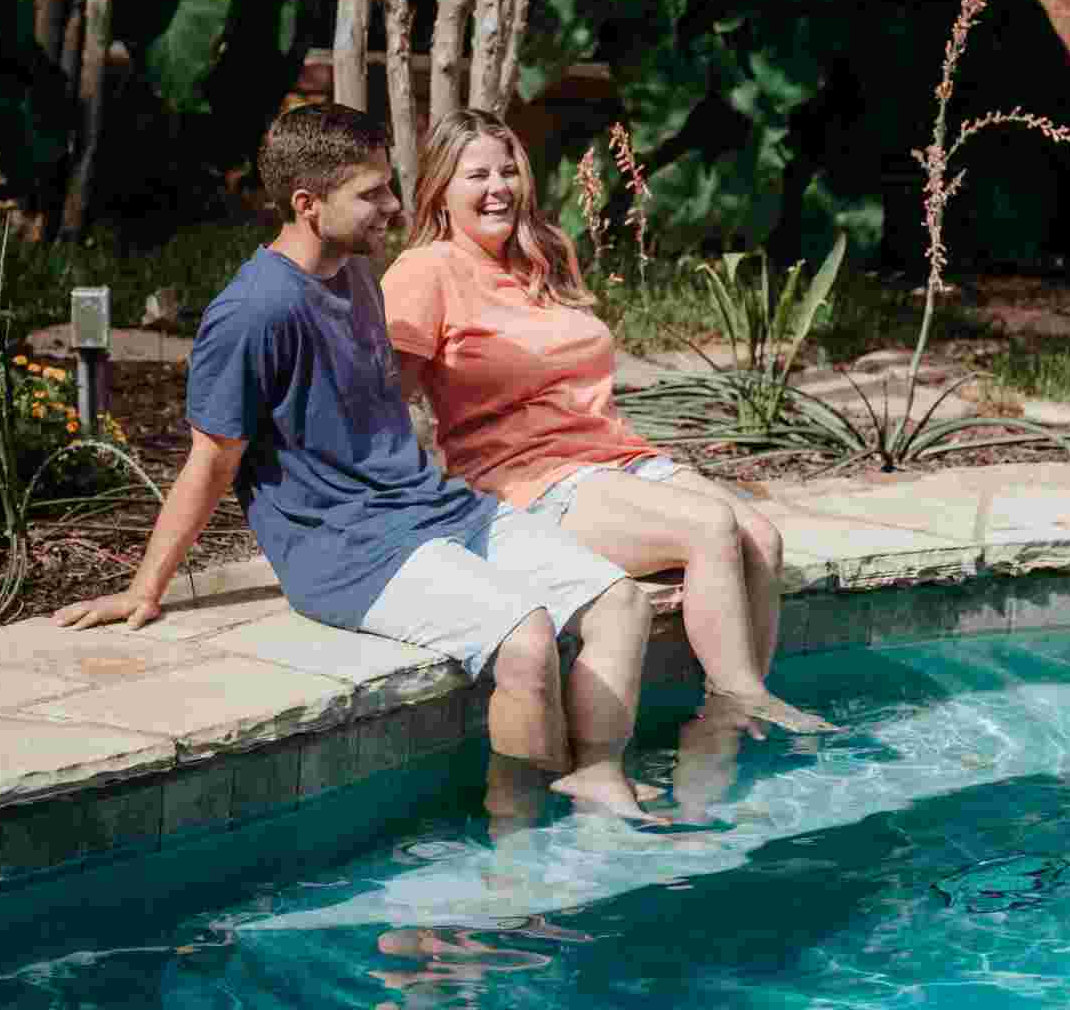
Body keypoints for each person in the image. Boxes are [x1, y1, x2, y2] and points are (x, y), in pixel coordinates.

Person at [53, 103, 661, 822]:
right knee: (526, 639)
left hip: (428, 510)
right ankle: (519, 852)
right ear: (308, 206)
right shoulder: (254, 312)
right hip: (344, 549)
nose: (395, 206)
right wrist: (146, 587)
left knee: (620, 604)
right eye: (372, 193)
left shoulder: (359, 275)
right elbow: (210, 463)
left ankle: (594, 776)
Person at [380, 108, 835, 736]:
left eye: (509, 170)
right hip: (527, 478)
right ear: (440, 189)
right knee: (709, 526)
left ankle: (722, 734)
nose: (498, 188)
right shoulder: (424, 272)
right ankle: (740, 701)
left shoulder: (545, 253)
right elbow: (385, 403)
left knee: (763, 538)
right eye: (476, 175)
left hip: (614, 455)